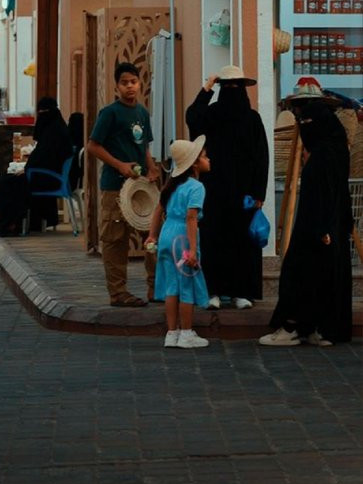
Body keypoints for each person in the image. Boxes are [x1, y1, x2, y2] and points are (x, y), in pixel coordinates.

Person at [259, 99, 353, 347]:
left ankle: (291, 328)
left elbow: (321, 197)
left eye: (307, 122)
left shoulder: (321, 158)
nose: (304, 128)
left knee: (298, 275)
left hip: (315, 230)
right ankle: (319, 329)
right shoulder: (338, 151)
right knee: (324, 279)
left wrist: (321, 229)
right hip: (333, 230)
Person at [186, 65, 268, 309]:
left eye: (235, 86)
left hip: (244, 192)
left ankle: (241, 292)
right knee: (214, 238)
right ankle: (213, 290)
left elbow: (261, 157)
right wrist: (207, 89)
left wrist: (259, 193)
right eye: (228, 86)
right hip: (214, 189)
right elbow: (192, 117)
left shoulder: (252, 119)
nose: (233, 91)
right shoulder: (211, 115)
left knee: (242, 240)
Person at [87, 61, 160, 308]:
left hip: (141, 187)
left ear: (140, 84)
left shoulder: (142, 113)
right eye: (124, 82)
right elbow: (93, 145)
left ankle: (155, 287)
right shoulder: (109, 113)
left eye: (134, 82)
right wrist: (119, 165)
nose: (130, 86)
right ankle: (118, 293)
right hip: (115, 187)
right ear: (117, 86)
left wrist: (151, 167)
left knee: (153, 236)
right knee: (115, 240)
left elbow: (144, 146)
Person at [147, 137, 211, 348]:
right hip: (182, 237)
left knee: (171, 286)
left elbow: (158, 210)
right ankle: (186, 332)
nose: (208, 159)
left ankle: (171, 332)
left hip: (167, 234)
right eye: (204, 157)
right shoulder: (196, 187)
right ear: (195, 164)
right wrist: (192, 249)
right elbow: (191, 218)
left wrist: (152, 235)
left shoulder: (171, 185)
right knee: (186, 285)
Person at [0, 98, 74, 238]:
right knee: (10, 179)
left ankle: (13, 224)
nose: (41, 115)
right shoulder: (57, 129)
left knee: (7, 183)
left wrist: (28, 170)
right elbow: (42, 158)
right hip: (47, 174)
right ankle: (20, 222)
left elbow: (45, 158)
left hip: (47, 178)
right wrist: (28, 169)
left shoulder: (54, 134)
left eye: (43, 112)